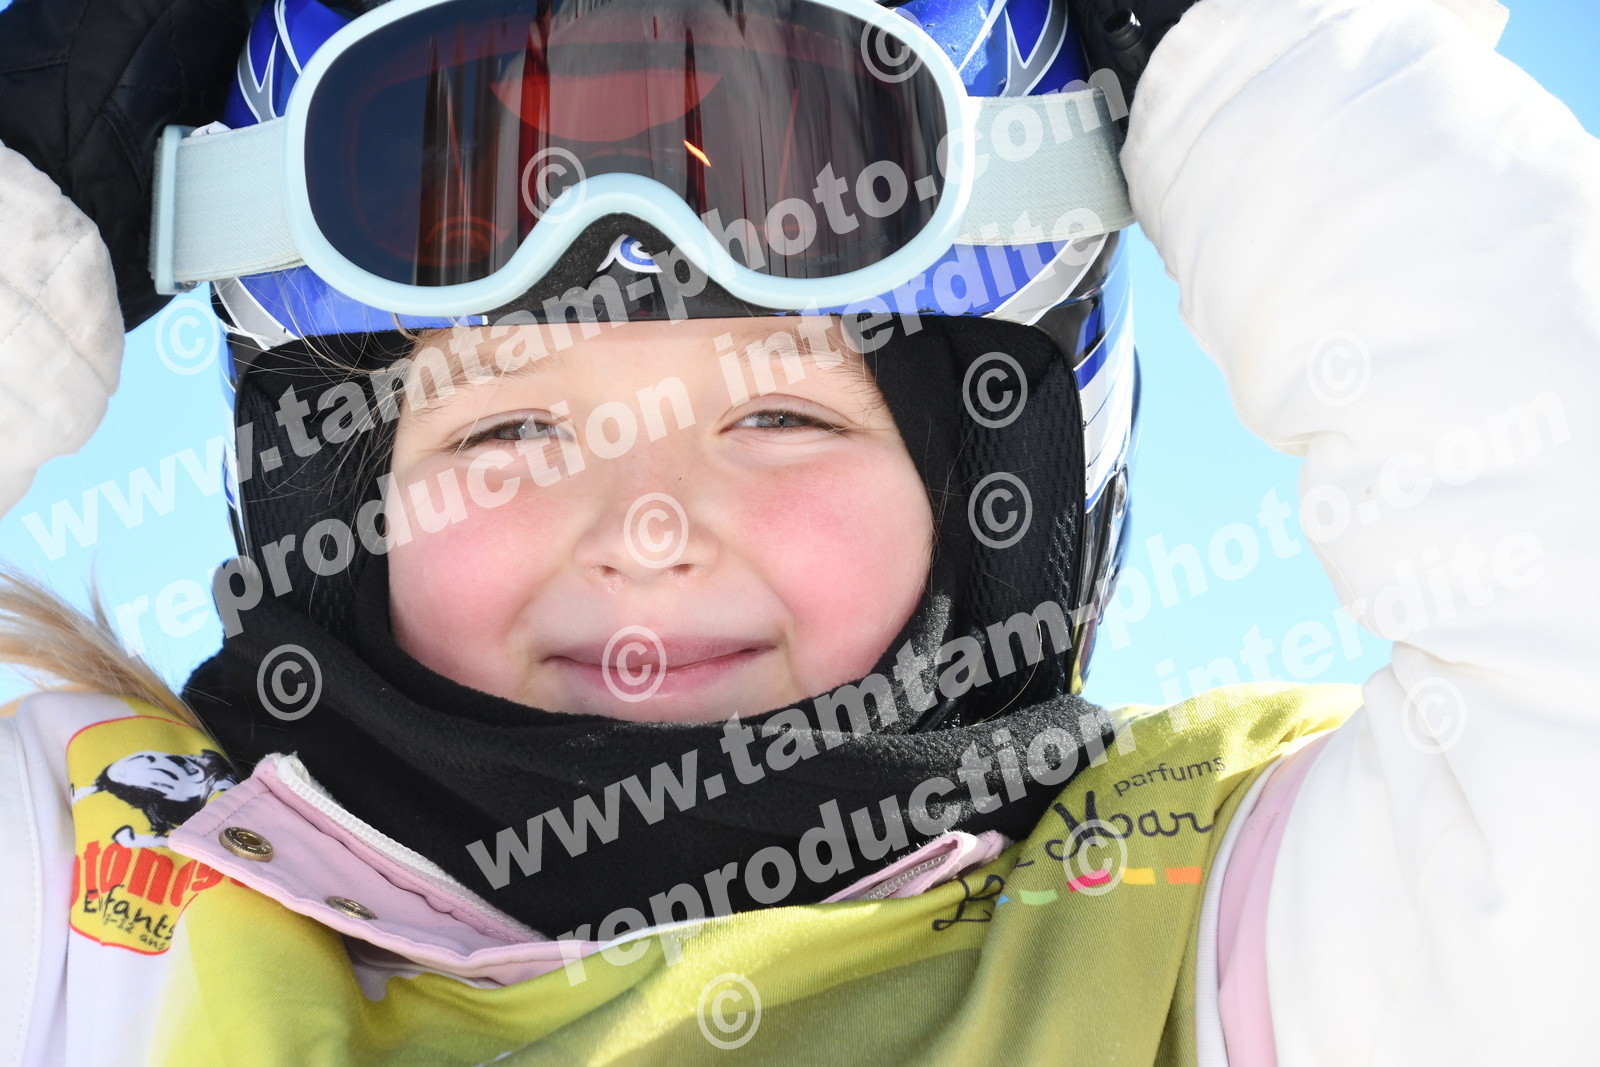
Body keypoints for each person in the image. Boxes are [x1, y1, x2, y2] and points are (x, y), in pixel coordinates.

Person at [0, 0, 1594, 1064]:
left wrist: (1269, 73)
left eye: (780, 416)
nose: (645, 528)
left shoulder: (1198, 926)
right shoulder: (104, 910)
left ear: (997, 478)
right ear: (327, 504)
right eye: (506, 432)